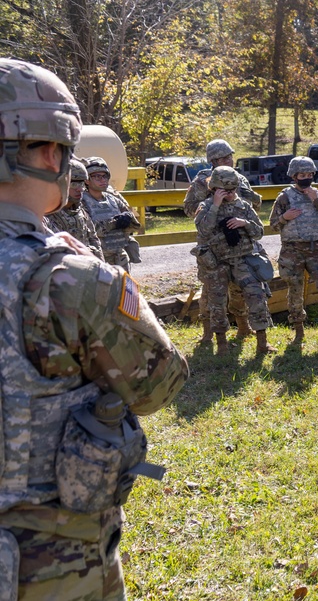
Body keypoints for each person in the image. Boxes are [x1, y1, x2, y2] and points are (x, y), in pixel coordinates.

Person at [0, 57, 188, 600]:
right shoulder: (64, 278)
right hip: (46, 564)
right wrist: (104, 283)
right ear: (49, 152)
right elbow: (160, 384)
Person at [184, 139, 261, 343]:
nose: (228, 160)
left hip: (237, 241)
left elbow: (252, 206)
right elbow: (189, 208)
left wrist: (240, 202)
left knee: (238, 289)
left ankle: (243, 328)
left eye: (229, 156)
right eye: (223, 158)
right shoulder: (202, 181)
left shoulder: (240, 178)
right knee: (211, 291)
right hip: (212, 243)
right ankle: (208, 333)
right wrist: (212, 203)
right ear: (213, 160)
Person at [194, 166, 276, 355]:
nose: (230, 194)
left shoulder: (243, 206)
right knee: (217, 303)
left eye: (233, 190)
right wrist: (215, 205)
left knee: (256, 296)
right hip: (217, 262)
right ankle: (221, 344)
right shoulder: (206, 207)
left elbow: (259, 233)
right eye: (225, 191)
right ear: (214, 188)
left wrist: (244, 223)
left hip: (242, 260)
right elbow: (203, 231)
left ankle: (262, 342)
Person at [269, 156, 318, 345]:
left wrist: (316, 200)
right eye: (302, 174)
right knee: (295, 291)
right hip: (293, 251)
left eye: (310, 174)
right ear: (294, 176)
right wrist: (285, 217)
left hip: (317, 249)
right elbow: (273, 225)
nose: (306, 178)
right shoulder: (284, 197)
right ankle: (298, 332)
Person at [82, 156, 140, 271]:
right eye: (97, 177)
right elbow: (88, 230)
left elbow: (135, 224)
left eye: (105, 176)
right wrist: (113, 223)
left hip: (120, 257)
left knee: (124, 289)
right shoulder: (82, 202)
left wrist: (128, 218)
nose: (103, 180)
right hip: (98, 259)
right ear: (87, 180)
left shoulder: (113, 199)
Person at [44, 157, 103, 259]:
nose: (79, 189)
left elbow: (94, 241)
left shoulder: (81, 212)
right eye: (74, 184)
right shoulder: (48, 214)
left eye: (81, 184)